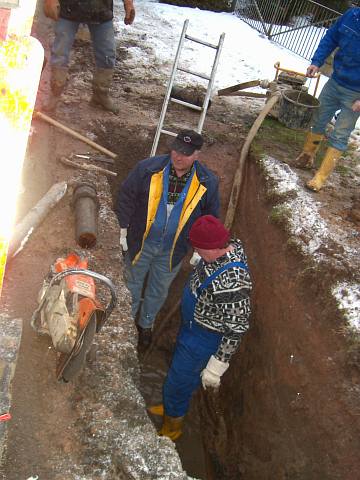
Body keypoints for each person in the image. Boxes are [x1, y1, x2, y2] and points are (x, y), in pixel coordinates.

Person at [148, 215, 252, 441]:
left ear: (214, 248)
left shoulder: (233, 283)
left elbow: (237, 328)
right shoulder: (226, 245)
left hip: (204, 340)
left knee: (179, 383)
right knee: (177, 374)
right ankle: (170, 407)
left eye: (199, 248)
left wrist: (217, 365)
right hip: (191, 329)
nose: (196, 251)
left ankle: (172, 426)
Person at [115, 130, 220, 348]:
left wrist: (200, 250)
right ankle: (125, 327)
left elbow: (210, 217)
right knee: (132, 285)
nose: (178, 156)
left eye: (185, 153)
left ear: (197, 155)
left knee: (158, 291)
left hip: (173, 250)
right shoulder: (148, 169)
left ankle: (145, 326)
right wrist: (122, 229)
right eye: (176, 149)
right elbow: (126, 196)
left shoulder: (207, 182)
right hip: (140, 244)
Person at [295, 6, 360, 192]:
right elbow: (331, 38)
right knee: (318, 120)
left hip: (356, 93)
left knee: (340, 134)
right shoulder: (351, 16)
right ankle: (307, 156)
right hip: (335, 81)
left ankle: (320, 178)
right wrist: (317, 61)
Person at [42, 0, 135, 113]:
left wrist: (128, 3)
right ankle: (54, 95)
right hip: (68, 8)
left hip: (100, 10)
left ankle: (100, 94)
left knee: (107, 54)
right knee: (60, 53)